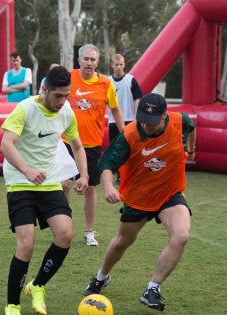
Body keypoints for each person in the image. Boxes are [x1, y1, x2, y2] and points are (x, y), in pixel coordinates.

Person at [82, 93, 197, 312]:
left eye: (152, 121)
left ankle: (152, 288)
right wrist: (108, 186)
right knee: (121, 242)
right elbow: (107, 165)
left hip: (169, 194)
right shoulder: (130, 134)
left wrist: (190, 149)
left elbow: (191, 127)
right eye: (143, 118)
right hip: (138, 198)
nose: (147, 125)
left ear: (165, 116)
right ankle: (101, 277)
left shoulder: (179, 120)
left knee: (181, 235)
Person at [0, 66, 89, 315]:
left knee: (65, 234)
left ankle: (37, 286)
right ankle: (12, 305)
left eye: (66, 95)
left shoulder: (67, 111)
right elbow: (6, 144)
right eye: (58, 96)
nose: (62, 101)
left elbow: (78, 146)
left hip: (49, 182)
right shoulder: (25, 108)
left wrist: (84, 174)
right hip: (20, 181)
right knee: (26, 244)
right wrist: (27, 170)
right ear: (45, 89)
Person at [63, 44, 125, 246]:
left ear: (97, 62)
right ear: (79, 60)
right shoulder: (68, 78)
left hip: (92, 144)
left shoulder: (106, 84)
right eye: (86, 59)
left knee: (90, 188)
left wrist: (125, 134)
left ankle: (89, 232)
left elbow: (115, 110)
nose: (89, 63)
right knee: (64, 184)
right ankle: (63, 226)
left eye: (93, 60)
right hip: (66, 141)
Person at [107, 54, 143, 184]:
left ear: (124, 65)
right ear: (112, 65)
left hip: (129, 120)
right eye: (116, 65)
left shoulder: (131, 80)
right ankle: (119, 177)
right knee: (116, 150)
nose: (118, 67)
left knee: (131, 149)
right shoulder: (107, 81)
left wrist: (137, 118)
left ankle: (133, 175)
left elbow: (137, 98)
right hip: (113, 122)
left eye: (121, 64)